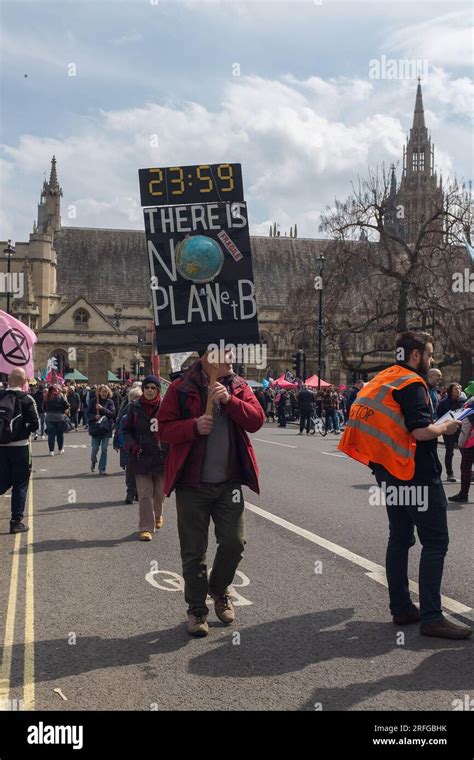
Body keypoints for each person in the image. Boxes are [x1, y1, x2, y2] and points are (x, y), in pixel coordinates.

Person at [339, 330, 471, 639]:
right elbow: (420, 431)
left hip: (389, 471)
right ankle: (432, 617)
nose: (432, 359)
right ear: (416, 356)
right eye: (430, 353)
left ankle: (401, 608)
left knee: (399, 538)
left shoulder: (384, 378)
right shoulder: (413, 384)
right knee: (436, 542)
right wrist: (447, 426)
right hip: (418, 473)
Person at [158, 347, 265, 637]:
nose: (231, 358)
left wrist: (230, 402)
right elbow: (163, 430)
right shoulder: (181, 388)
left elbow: (256, 420)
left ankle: (218, 589)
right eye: (225, 353)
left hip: (228, 483)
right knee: (194, 551)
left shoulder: (239, 386)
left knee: (234, 542)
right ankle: (196, 609)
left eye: (233, 353)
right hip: (192, 484)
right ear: (207, 357)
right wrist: (193, 426)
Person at [124, 376, 168, 540]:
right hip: (140, 457)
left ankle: (158, 515)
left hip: (161, 456)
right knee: (144, 494)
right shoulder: (134, 408)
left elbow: (172, 427)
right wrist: (132, 445)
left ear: (158, 390)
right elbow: (126, 430)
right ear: (143, 390)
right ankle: (146, 528)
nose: (150, 390)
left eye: (153, 388)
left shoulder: (165, 407)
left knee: (159, 494)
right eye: (147, 387)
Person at [0, 368, 39, 534]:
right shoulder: (27, 399)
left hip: (1, 447)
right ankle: (16, 522)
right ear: (25, 382)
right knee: (20, 485)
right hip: (21, 447)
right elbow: (35, 424)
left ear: (8, 380)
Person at [113, 386, 142, 504]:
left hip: (143, 446)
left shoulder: (146, 411)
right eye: (135, 398)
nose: (137, 400)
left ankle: (138, 492)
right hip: (129, 446)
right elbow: (120, 427)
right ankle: (130, 492)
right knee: (130, 471)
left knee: (141, 471)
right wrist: (117, 442)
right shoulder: (126, 411)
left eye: (139, 397)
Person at [448, 396, 474, 503]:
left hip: (471, 443)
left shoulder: (470, 408)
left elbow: (466, 426)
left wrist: (461, 443)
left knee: (465, 469)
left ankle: (463, 494)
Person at [436, 383, 464, 482]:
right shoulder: (444, 402)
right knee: (450, 452)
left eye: (459, 389)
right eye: (456, 389)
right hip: (449, 430)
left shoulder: (463, 401)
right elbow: (439, 415)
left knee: (464, 452)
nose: (458, 391)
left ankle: (467, 472)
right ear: (450, 391)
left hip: (461, 430)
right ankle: (450, 473)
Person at [88, 385, 115, 475]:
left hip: (106, 429)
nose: (104, 393)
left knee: (104, 449)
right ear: (99, 392)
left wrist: (102, 409)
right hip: (96, 429)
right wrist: (94, 416)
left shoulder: (110, 402)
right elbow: (87, 414)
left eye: (106, 392)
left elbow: (112, 414)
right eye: (102, 391)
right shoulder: (93, 401)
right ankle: (93, 461)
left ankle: (102, 468)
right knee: (95, 449)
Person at [44, 385, 69, 455]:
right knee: (60, 435)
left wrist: (48, 411)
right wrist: (62, 410)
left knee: (51, 435)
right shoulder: (60, 396)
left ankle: (51, 451)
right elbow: (66, 405)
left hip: (49, 417)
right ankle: (60, 449)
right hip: (60, 417)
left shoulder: (47, 396)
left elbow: (43, 407)